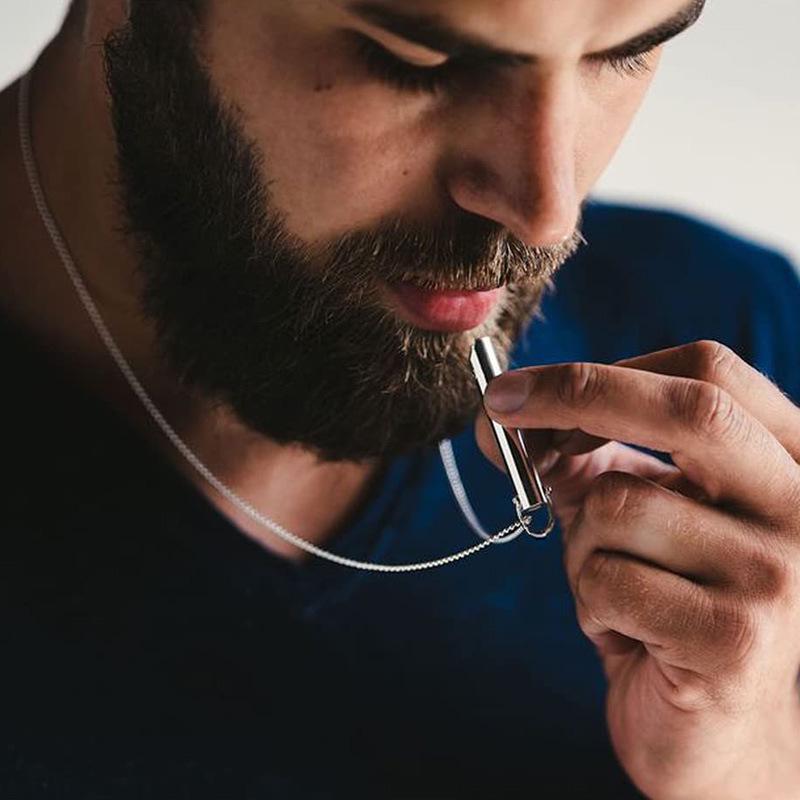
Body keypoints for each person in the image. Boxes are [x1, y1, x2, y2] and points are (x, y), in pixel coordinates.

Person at [1, 0, 799, 797]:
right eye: (419, 61)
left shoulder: (734, 355)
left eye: (626, 52)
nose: (545, 209)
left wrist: (746, 772)